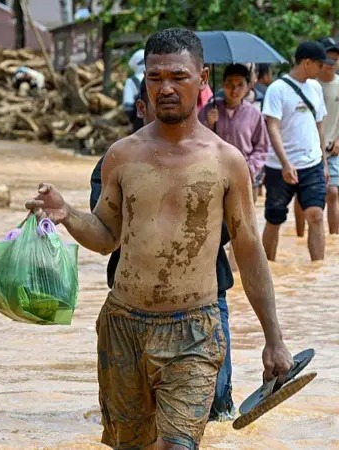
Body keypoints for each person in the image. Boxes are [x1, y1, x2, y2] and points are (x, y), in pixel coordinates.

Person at [26, 28, 293, 450]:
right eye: (155, 77)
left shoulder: (226, 161)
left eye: (178, 76)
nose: (166, 88)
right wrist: (67, 214)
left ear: (202, 78)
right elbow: (106, 237)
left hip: (195, 329)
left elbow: (249, 250)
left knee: (176, 446)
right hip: (124, 326)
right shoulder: (122, 155)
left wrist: (274, 339)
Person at [90, 78, 238, 423]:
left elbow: (237, 237)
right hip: (132, 308)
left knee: (215, 407)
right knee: (138, 421)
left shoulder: (216, 159)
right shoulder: (116, 160)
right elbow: (108, 230)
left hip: (205, 299)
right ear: (142, 108)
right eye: (156, 91)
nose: (166, 99)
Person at [261, 40, 329, 262]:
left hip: (312, 164)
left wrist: (324, 162)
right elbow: (272, 126)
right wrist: (285, 163)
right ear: (307, 63)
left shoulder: (316, 88)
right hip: (279, 166)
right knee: (274, 218)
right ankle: (268, 268)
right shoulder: (277, 90)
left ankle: (317, 271)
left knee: (316, 215)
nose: (323, 69)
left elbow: (319, 125)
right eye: (320, 64)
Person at [293, 37, 339, 236]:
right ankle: (299, 235)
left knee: (335, 190)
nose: (330, 63)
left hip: (334, 145)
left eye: (335, 59)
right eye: (327, 59)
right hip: (308, 146)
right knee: (302, 194)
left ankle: (334, 238)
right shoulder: (309, 85)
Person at [199, 63, 270, 204]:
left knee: (243, 222)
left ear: (248, 86)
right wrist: (209, 124)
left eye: (240, 84)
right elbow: (195, 140)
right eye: (229, 83)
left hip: (244, 178)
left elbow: (262, 147)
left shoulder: (254, 114)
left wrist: (249, 167)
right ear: (222, 84)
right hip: (214, 176)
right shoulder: (209, 109)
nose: (234, 89)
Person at [122, 49, 146, 132]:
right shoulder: (158, 79)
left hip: (139, 123)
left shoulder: (131, 82)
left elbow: (128, 106)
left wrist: (133, 120)